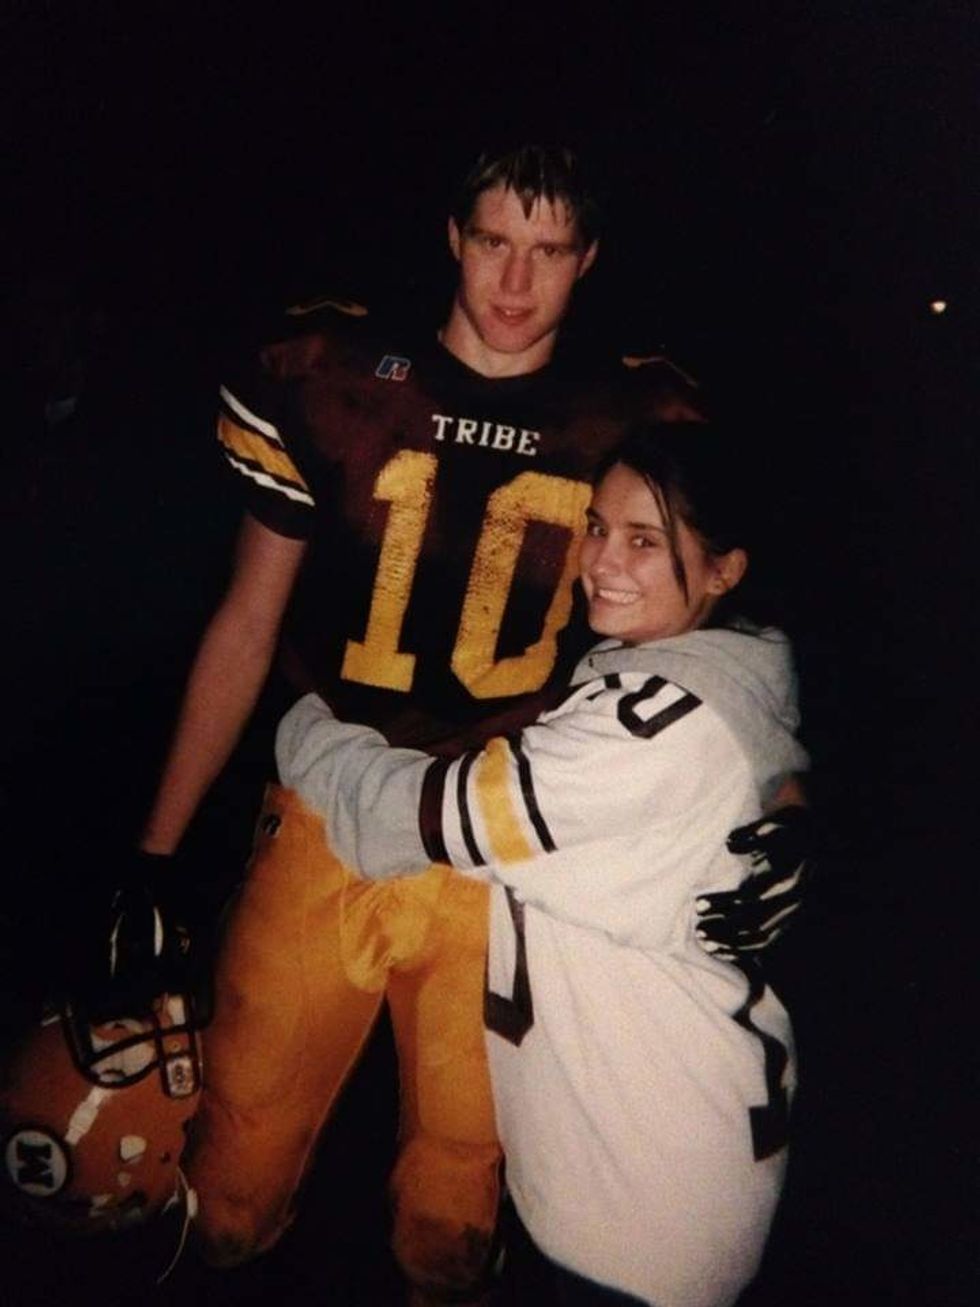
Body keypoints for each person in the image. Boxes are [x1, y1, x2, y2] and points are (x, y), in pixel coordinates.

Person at [112, 145, 806, 1302]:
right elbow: (245, 619)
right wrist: (155, 849)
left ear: (587, 259)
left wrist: (783, 799)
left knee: (451, 1210)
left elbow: (720, 630)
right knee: (229, 1176)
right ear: (451, 236)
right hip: (329, 810)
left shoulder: (630, 415)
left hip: (505, 845)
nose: (515, 282)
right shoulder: (334, 377)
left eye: (546, 252)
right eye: (493, 241)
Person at [274, 423, 807, 1306]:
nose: (601, 560)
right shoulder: (713, 670)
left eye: (645, 541)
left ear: (724, 569)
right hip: (641, 1148)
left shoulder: (651, 733)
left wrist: (300, 725)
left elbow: (423, 817)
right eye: (598, 526)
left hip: (644, 1193)